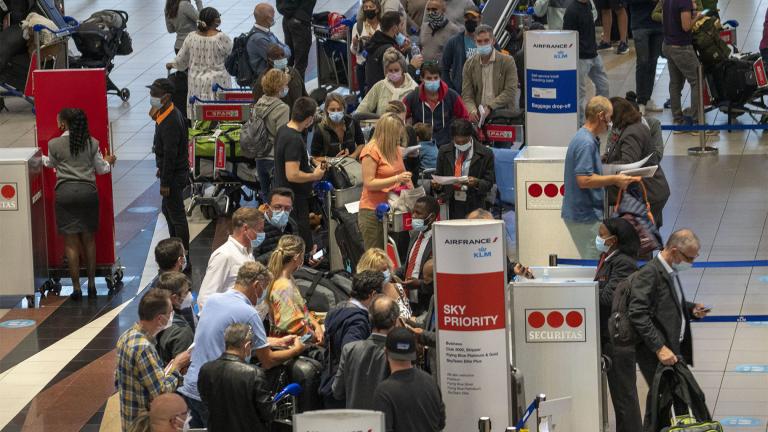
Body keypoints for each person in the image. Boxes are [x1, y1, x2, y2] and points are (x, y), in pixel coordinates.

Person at [179, 262, 303, 427]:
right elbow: (268, 360)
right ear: (257, 285)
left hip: (193, 388)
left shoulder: (213, 300)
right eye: (264, 288)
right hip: (217, 394)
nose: (263, 294)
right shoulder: (249, 313)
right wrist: (296, 350)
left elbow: (226, 336)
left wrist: (274, 341)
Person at [628, 229, 711, 428]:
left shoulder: (667, 270)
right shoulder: (649, 273)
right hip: (656, 352)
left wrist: (691, 309)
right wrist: (659, 348)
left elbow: (665, 303)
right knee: (664, 403)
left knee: (676, 402)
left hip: (671, 349)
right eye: (689, 258)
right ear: (674, 251)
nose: (691, 263)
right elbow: (638, 313)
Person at [42, 108, 116, 300]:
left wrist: (38, 157)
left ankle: (76, 288)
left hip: (65, 193)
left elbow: (49, 164)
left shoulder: (54, 144)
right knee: (89, 240)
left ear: (63, 123)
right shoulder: (92, 143)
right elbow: (102, 169)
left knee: (71, 243)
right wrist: (109, 161)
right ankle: (91, 284)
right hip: (87, 193)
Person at [561, 96, 639, 259]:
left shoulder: (586, 139)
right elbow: (584, 180)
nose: (611, 123)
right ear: (601, 116)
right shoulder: (586, 143)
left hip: (585, 214)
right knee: (594, 261)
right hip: (584, 216)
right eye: (610, 118)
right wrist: (615, 179)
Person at [116, 289, 192, 431]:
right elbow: (161, 393)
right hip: (143, 425)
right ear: (160, 319)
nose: (172, 316)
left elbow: (142, 380)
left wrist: (165, 372)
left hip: (129, 418)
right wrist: (176, 366)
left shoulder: (127, 336)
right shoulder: (144, 348)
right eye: (170, 312)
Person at [594, 218, 643, 432]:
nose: (598, 238)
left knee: (624, 397)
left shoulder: (624, 263)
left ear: (613, 240)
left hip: (620, 339)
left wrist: (584, 293)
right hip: (608, 335)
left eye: (601, 234)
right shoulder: (607, 258)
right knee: (619, 396)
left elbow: (608, 298)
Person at [319, 270, 386, 408]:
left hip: (330, 384)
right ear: (373, 295)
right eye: (382, 294)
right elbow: (350, 355)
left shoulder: (338, 309)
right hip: (344, 397)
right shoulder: (358, 322)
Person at [605, 97, 671, 227]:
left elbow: (628, 163)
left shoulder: (632, 132)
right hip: (652, 190)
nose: (607, 120)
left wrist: (602, 168)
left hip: (648, 192)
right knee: (645, 237)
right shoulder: (633, 127)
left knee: (640, 239)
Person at [198, 323, 273, 432]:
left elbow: (205, 400)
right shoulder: (255, 373)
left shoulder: (205, 369)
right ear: (247, 345)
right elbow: (268, 413)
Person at [273, 97, 326, 248]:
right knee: (301, 241)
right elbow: (292, 174)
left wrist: (310, 162)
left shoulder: (283, 130)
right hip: (295, 200)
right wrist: (314, 175)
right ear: (309, 119)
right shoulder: (294, 139)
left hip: (284, 195)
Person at [333, 295, 400, 409]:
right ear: (395, 321)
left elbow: (337, 391)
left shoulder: (349, 349)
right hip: (385, 423)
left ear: (370, 318)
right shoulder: (398, 355)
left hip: (356, 424)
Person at [373, 328, 446, 431]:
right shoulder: (431, 382)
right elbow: (441, 423)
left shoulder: (384, 392)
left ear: (385, 352)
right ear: (414, 352)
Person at [166, 7, 232, 118]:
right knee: (218, 113)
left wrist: (172, 64)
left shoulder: (191, 37)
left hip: (196, 82)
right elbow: (230, 54)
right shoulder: (221, 38)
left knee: (199, 114)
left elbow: (181, 61)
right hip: (218, 82)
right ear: (216, 21)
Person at [148, 79, 190, 254]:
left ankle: (182, 253)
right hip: (172, 171)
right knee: (169, 210)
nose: (152, 98)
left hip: (173, 175)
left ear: (166, 98)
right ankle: (177, 247)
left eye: (155, 95)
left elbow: (170, 154)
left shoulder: (170, 121)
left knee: (177, 216)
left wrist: (165, 181)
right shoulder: (167, 114)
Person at [359, 114, 412, 250]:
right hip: (372, 211)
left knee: (395, 253)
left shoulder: (395, 150)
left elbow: (404, 175)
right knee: (375, 257)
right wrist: (396, 179)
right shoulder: (371, 150)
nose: (398, 139)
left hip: (394, 210)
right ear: (387, 133)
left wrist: (413, 194)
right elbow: (369, 183)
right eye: (396, 135)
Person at [197, 207, 265, 309]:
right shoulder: (224, 255)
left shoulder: (249, 252)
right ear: (245, 229)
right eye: (259, 230)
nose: (262, 234)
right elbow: (205, 299)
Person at [662, 0, 711, 133]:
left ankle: (678, 121)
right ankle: (697, 123)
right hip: (681, 47)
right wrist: (697, 17)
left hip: (668, 44)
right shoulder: (684, 1)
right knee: (698, 80)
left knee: (675, 83)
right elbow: (686, 26)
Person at [267, 235, 325, 342]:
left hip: (301, 331)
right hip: (290, 342)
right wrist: (318, 336)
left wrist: (316, 326)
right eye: (303, 255)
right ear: (297, 257)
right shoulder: (283, 287)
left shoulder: (288, 277)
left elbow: (303, 309)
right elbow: (294, 327)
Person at [433, 119, 494, 219]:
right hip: (451, 202)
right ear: (453, 138)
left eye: (464, 141)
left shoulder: (486, 153)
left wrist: (476, 182)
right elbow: (438, 176)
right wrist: (437, 185)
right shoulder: (444, 151)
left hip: (475, 202)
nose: (461, 144)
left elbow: (489, 183)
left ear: (470, 136)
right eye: (457, 142)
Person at [563, 0, 610, 126]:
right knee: (580, 94)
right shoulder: (572, 11)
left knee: (604, 86)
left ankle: (599, 117)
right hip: (580, 57)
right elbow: (568, 36)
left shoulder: (588, 5)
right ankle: (581, 125)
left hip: (593, 54)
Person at [403, 62, 470, 147]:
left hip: (447, 146)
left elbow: (464, 117)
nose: (433, 81)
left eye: (435, 78)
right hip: (420, 146)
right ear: (421, 78)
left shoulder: (451, 96)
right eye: (429, 78)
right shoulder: (413, 97)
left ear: (440, 78)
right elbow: (399, 116)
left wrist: (457, 137)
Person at [462, 24, 520, 121]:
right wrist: (471, 110)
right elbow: (467, 95)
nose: (483, 44)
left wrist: (490, 107)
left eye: (486, 41)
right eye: (479, 41)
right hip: (479, 117)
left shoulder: (508, 61)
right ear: (474, 42)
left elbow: (510, 90)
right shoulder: (469, 64)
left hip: (504, 116)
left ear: (493, 41)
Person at [252, 68, 291, 201]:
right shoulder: (282, 108)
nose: (286, 87)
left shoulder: (258, 104)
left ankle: (266, 220)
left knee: (266, 196)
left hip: (259, 157)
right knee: (279, 199)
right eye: (285, 85)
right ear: (279, 87)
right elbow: (283, 137)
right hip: (274, 158)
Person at [395, 196, 439, 308]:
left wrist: (419, 284)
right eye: (413, 212)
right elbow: (410, 264)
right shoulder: (415, 234)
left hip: (426, 302)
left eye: (418, 213)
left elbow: (440, 279)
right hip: (408, 300)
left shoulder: (439, 241)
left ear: (432, 217)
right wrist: (393, 274)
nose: (413, 216)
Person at [466, 209, 534, 281]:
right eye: (490, 228)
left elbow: (506, 266)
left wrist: (515, 269)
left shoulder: (495, 245)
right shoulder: (463, 250)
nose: (493, 232)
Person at [355, 47, 419, 117]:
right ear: (386, 71)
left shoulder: (414, 88)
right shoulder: (380, 86)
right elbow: (361, 110)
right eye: (390, 71)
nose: (393, 73)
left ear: (403, 69)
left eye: (396, 70)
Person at [628, 0, 665, 114]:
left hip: (657, 24)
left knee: (653, 62)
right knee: (643, 62)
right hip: (640, 24)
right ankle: (641, 101)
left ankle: (647, 99)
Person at [358, 248, 413, 319]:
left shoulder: (397, 287)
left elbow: (409, 314)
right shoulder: (366, 298)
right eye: (378, 271)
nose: (383, 274)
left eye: (384, 269)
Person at [154, 272, 195, 365]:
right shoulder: (182, 332)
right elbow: (184, 371)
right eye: (186, 292)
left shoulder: (153, 318)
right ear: (175, 298)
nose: (190, 295)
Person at [251, 44, 308, 110]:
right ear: (269, 60)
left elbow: (304, 95)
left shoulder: (294, 73)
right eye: (277, 56)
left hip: (297, 118)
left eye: (282, 55)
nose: (281, 58)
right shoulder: (263, 80)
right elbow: (258, 107)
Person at [311, 92, 365, 160]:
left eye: (339, 109)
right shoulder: (320, 129)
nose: (336, 112)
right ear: (326, 110)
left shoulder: (352, 122)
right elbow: (314, 157)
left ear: (344, 109)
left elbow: (361, 143)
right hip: (330, 167)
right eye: (332, 110)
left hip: (351, 163)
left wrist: (353, 155)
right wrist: (333, 160)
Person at [441, 5, 482, 92]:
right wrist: (451, 89)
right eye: (467, 17)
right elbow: (444, 68)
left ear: (480, 18)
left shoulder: (488, 40)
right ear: (464, 18)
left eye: (473, 17)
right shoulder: (454, 42)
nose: (470, 20)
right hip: (461, 92)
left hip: (482, 93)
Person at [365, 11, 410, 88]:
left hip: (373, 89)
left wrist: (403, 52)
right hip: (385, 93)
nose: (403, 28)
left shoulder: (374, 41)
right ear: (395, 28)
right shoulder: (389, 49)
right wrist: (413, 66)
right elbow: (397, 76)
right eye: (401, 25)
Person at [247, 3, 292, 79]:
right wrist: (285, 51)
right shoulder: (259, 39)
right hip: (267, 80)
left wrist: (284, 50)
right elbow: (279, 60)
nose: (274, 17)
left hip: (274, 74)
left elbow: (283, 48)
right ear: (267, 19)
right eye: (273, 16)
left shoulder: (266, 32)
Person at [254, 187, 298, 263]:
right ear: (267, 207)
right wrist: (281, 252)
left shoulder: (291, 224)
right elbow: (252, 262)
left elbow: (294, 254)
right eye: (278, 207)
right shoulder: (255, 227)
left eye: (287, 208)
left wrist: (307, 258)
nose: (282, 212)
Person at [276, 0, 316, 78]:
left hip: (287, 19)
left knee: (289, 57)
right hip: (300, 21)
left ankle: (284, 86)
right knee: (300, 62)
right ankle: (297, 89)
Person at [352, 0, 382, 97]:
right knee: (365, 97)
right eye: (366, 7)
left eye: (371, 7)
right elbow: (353, 51)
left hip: (380, 67)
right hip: (363, 68)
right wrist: (355, 44)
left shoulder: (383, 26)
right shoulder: (358, 26)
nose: (368, 9)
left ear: (377, 9)